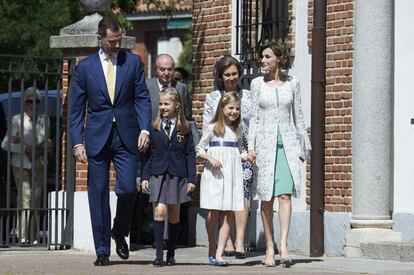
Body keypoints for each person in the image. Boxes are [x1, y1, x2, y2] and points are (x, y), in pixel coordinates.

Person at [70, 17, 152, 266]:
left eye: (119, 41)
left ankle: (119, 229)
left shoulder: (133, 63)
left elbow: (142, 98)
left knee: (128, 189)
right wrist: (77, 142)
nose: (116, 45)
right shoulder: (85, 68)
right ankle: (102, 250)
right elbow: (76, 109)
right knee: (98, 194)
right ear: (99, 39)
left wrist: (145, 129)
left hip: (127, 135)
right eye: (111, 41)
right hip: (96, 137)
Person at [247, 41, 311, 267]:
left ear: (278, 59)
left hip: (287, 146)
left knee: (285, 195)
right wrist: (250, 147)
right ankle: (269, 247)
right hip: (264, 146)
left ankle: (283, 245)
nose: (262, 61)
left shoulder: (293, 84)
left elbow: (299, 116)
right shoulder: (256, 84)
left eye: (266, 57)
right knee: (266, 199)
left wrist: (305, 145)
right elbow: (253, 117)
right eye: (262, 57)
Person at [202, 56, 252, 261]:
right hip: (219, 149)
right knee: (218, 203)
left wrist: (250, 150)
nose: (232, 77)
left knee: (241, 195)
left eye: (234, 73)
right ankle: (221, 243)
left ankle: (239, 241)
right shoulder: (213, 97)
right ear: (221, 77)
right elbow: (207, 126)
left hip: (242, 147)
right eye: (227, 74)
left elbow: (254, 120)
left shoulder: (248, 96)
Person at [141, 87, 196, 266]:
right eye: (161, 104)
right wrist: (144, 177)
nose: (163, 107)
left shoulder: (185, 128)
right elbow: (148, 154)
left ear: (177, 105)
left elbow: (190, 154)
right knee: (159, 211)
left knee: (173, 215)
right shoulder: (153, 127)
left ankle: (171, 253)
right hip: (158, 174)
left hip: (177, 175)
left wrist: (191, 179)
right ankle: (158, 255)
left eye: (166, 103)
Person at [197, 92, 245, 266]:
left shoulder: (237, 130)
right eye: (231, 108)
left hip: (231, 174)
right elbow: (199, 149)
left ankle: (219, 253)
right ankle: (212, 244)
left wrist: (248, 156)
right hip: (215, 174)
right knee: (213, 213)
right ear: (222, 108)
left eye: (237, 109)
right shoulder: (212, 128)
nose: (234, 112)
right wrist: (210, 158)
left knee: (228, 213)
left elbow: (239, 152)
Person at [1, 87, 51, 244]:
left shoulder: (44, 120)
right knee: (25, 197)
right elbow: (4, 144)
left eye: (36, 101)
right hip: (20, 164)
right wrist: (23, 147)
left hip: (39, 163)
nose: (33, 105)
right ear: (24, 103)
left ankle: (33, 235)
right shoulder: (16, 120)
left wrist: (25, 141)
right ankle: (22, 236)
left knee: (36, 200)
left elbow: (45, 141)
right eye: (29, 101)